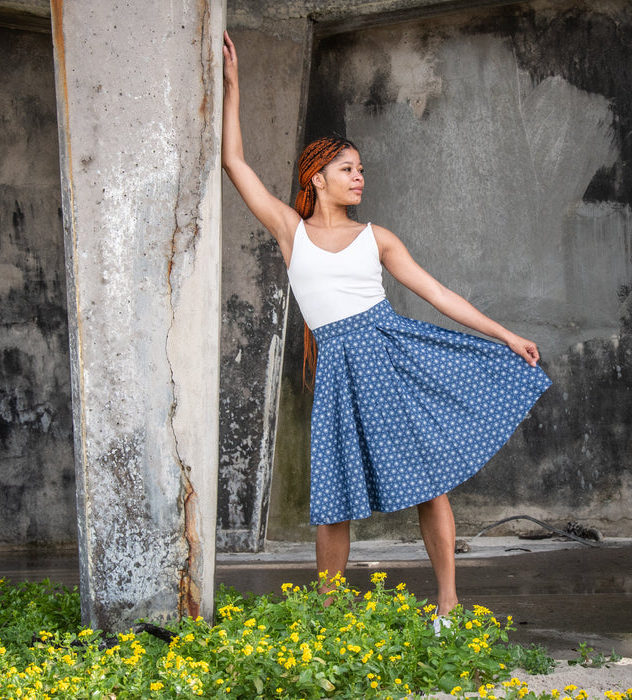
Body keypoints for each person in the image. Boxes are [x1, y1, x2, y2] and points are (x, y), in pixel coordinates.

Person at [222, 32, 550, 624]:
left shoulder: (378, 238)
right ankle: (327, 614)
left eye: (361, 169)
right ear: (317, 177)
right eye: (348, 169)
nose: (359, 178)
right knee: (332, 501)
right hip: (339, 372)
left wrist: (504, 334)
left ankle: (448, 606)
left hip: (390, 356)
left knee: (429, 483)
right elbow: (234, 163)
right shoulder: (289, 232)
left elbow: (440, 294)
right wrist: (233, 85)